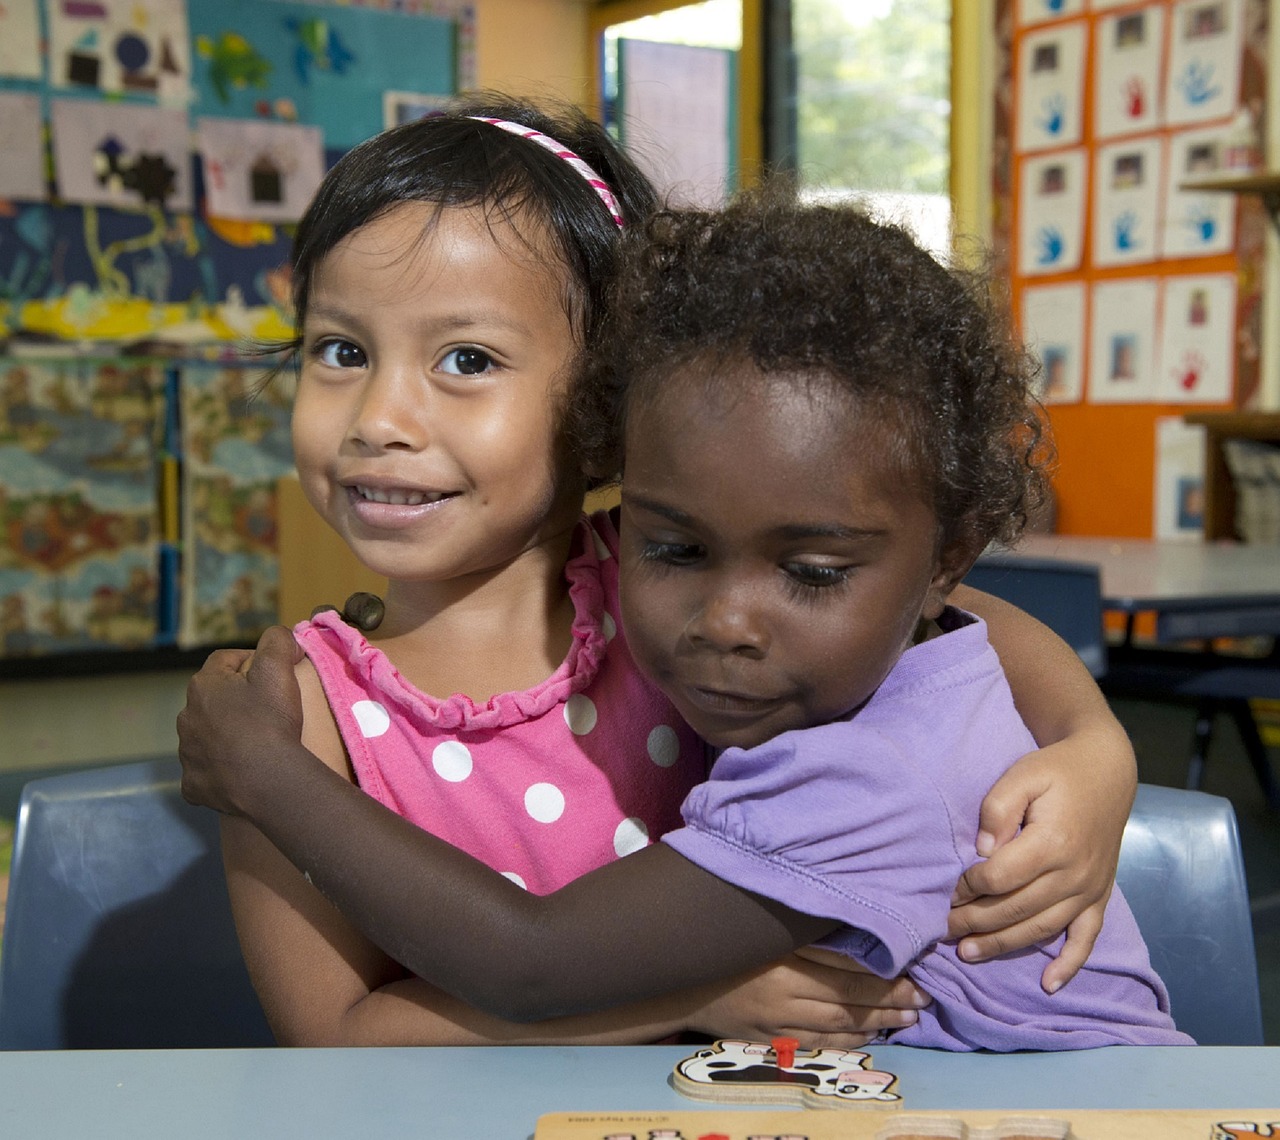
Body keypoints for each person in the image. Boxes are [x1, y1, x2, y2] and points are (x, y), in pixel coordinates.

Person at [179, 105, 1139, 1048]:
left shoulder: (675, 579)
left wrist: (1096, 748)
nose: (380, 417)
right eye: (341, 350)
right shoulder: (287, 719)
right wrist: (686, 1000)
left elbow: (957, 621)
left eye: (466, 359)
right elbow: (337, 1034)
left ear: (609, 391)